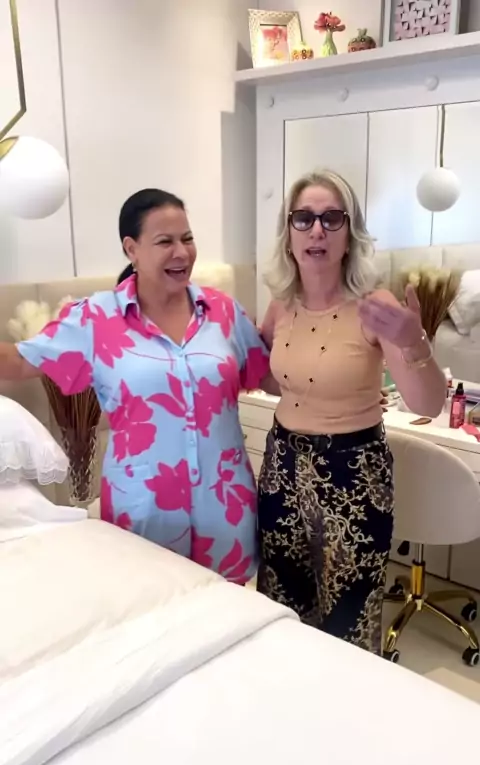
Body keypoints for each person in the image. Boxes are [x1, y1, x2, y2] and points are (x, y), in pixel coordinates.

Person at [0, 188, 270, 584]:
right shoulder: (96, 319)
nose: (182, 252)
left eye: (187, 238)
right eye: (165, 241)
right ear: (132, 249)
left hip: (225, 507)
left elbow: (271, 372)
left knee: (231, 611)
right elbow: (19, 360)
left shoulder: (223, 313)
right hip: (143, 510)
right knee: (151, 606)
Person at [256, 170, 446, 654]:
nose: (317, 230)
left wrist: (415, 343)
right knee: (280, 607)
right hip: (281, 468)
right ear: (288, 233)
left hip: (352, 476)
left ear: (350, 234)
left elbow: (428, 404)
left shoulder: (375, 306)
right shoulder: (281, 306)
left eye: (331, 218)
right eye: (303, 218)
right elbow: (271, 378)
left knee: (348, 619)